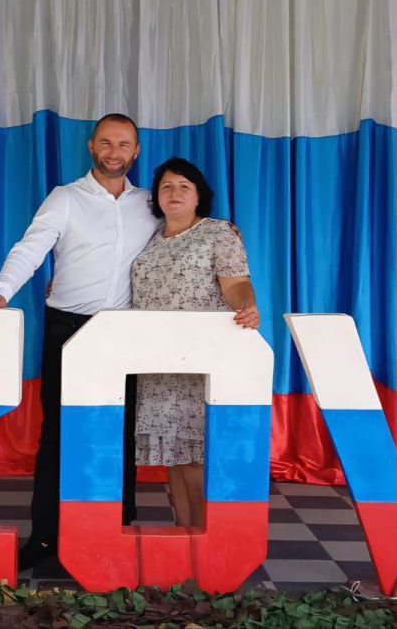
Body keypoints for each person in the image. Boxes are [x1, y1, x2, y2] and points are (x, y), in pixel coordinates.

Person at [0, 114, 160, 571]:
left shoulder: (150, 204)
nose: (114, 152)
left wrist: (222, 231)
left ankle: (117, 530)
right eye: (106, 143)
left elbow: (184, 233)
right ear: (91, 146)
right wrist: (2, 290)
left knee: (120, 433)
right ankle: (45, 539)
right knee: (57, 433)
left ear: (136, 151)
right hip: (68, 328)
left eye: (124, 144)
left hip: (124, 332)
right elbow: (31, 248)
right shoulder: (66, 198)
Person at [130, 157, 259, 527]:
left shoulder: (218, 233)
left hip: (201, 360)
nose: (174, 193)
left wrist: (247, 306)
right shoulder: (149, 239)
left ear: (199, 195)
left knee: (197, 458)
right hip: (157, 364)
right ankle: (184, 536)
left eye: (184, 187)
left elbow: (236, 283)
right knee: (175, 457)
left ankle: (207, 542)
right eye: (167, 186)